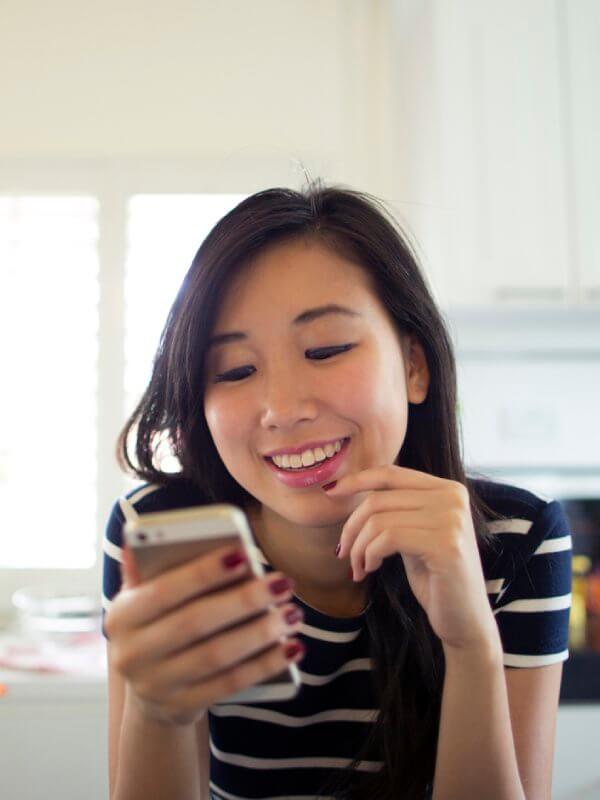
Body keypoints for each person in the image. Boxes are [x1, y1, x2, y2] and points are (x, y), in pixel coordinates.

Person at [102, 181, 572, 800]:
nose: (283, 409)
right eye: (236, 370)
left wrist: (471, 644)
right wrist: (157, 709)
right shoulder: (165, 532)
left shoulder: (516, 542)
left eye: (325, 349)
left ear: (414, 365)